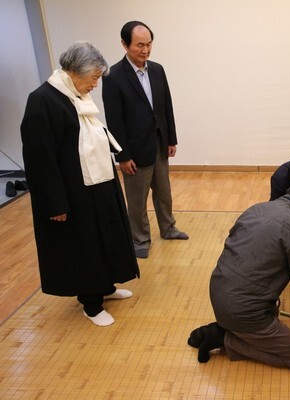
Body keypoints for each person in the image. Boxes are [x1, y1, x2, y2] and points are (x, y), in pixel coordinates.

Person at [20, 41, 139, 327]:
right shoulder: (43, 100)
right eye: (94, 78)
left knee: (105, 236)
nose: (96, 85)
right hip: (72, 192)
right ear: (76, 71)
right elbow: (40, 160)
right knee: (85, 244)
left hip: (98, 182)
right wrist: (55, 203)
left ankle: (106, 287)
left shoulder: (77, 95)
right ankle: (91, 304)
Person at [188, 182, 290, 369]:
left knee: (271, 309)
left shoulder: (257, 208)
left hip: (219, 287)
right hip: (243, 309)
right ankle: (223, 338)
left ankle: (230, 328)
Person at [102, 20, 188, 259]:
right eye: (140, 45)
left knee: (164, 192)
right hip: (134, 150)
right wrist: (122, 156)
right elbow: (114, 121)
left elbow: (165, 107)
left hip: (159, 144)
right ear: (124, 44)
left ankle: (168, 228)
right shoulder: (113, 76)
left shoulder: (158, 70)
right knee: (137, 199)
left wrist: (171, 138)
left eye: (149, 44)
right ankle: (140, 239)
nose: (145, 50)